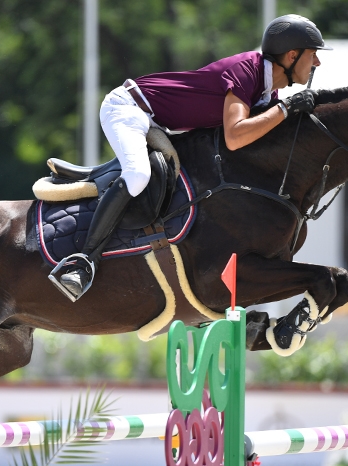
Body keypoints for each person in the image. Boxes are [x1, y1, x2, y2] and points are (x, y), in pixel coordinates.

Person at [57, 14, 331, 300]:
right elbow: (235, 135)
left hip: (156, 121)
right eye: (313, 55)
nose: (317, 63)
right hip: (128, 108)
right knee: (138, 176)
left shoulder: (267, 91)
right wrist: (286, 109)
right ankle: (83, 262)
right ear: (291, 55)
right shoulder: (246, 71)